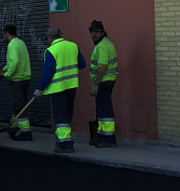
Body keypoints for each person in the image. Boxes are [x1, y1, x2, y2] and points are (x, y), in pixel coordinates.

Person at [33, 27, 87, 154]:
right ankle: (63, 138)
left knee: (60, 115)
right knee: (67, 113)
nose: (47, 41)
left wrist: (40, 89)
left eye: (47, 39)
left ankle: (65, 143)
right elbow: (82, 64)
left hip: (58, 88)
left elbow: (48, 74)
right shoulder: (73, 46)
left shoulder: (51, 50)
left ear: (50, 37)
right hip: (72, 86)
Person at [88, 20, 119, 148]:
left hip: (104, 81)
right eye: (92, 32)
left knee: (105, 111)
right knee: (101, 110)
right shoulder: (105, 44)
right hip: (106, 81)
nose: (93, 35)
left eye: (96, 32)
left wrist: (96, 84)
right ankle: (101, 136)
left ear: (102, 33)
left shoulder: (102, 46)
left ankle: (108, 138)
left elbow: (102, 67)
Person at [1, 24, 32, 141]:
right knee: (19, 104)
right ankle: (13, 127)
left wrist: (7, 74)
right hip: (25, 78)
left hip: (17, 80)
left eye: (4, 35)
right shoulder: (21, 43)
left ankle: (26, 132)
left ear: (7, 34)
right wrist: (4, 69)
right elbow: (13, 62)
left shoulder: (12, 45)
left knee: (19, 105)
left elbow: (14, 62)